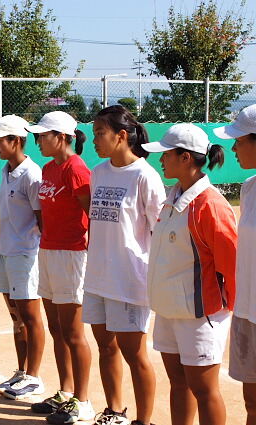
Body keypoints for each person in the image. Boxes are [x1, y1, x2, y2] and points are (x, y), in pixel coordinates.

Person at [142, 123, 237, 425]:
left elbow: (232, 264)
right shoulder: (172, 198)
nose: (161, 160)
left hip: (200, 315)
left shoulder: (210, 205)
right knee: (179, 384)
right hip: (169, 310)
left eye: (167, 154)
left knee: (204, 389)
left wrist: (224, 307)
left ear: (185, 158)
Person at [84, 105, 165, 425]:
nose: (95, 141)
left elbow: (159, 232)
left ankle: (144, 421)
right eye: (94, 134)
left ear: (121, 136)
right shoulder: (99, 171)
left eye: (100, 134)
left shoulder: (145, 175)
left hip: (129, 280)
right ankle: (114, 411)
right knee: (106, 347)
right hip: (97, 276)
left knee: (135, 354)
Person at [24, 111, 95, 423]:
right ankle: (65, 393)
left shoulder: (76, 169)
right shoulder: (48, 167)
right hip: (49, 252)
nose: (38, 140)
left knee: (73, 332)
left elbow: (93, 214)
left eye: (43, 135)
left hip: (72, 256)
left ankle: (84, 401)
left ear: (63, 137)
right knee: (56, 329)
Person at [0, 115, 45, 400]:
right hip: (5, 252)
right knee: (16, 317)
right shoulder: (7, 170)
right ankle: (21, 373)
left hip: (25, 254)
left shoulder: (33, 175)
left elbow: (42, 221)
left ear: (16, 141)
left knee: (31, 318)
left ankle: (34, 378)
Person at [214, 104, 256, 425]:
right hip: (246, 313)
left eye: (238, 140)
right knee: (252, 404)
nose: (232, 148)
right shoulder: (249, 187)